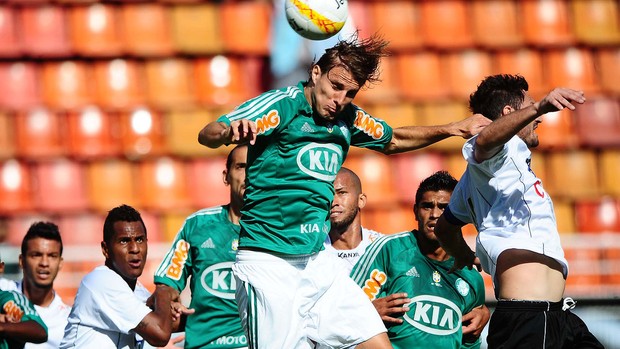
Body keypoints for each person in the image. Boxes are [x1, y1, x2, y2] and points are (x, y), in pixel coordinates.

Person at [198, 34, 490, 349]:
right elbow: (208, 133)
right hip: (269, 264)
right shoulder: (282, 106)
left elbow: (392, 140)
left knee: (375, 343)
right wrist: (229, 131)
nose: (340, 99)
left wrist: (452, 128)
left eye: (350, 93)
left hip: (316, 261)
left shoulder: (347, 119)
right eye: (336, 87)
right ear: (315, 74)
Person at [434, 74, 603, 348]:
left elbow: (445, 227)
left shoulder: (475, 180)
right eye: (530, 107)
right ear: (509, 113)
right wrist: (540, 106)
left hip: (555, 315)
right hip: (528, 317)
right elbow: (485, 141)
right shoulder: (499, 150)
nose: (538, 118)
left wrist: (463, 255)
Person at [350, 171, 489, 348]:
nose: (434, 214)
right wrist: (367, 311)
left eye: (444, 207)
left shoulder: (470, 276)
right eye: (427, 206)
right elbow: (347, 310)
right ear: (415, 211)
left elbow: (469, 342)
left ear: (459, 214)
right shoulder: (389, 251)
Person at [153, 145, 248, 349]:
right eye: (241, 167)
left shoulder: (277, 231)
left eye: (256, 168)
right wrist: (170, 301)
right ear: (226, 176)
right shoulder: (197, 226)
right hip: (205, 343)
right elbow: (167, 283)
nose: (249, 175)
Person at [60, 205, 184, 349]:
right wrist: (164, 289)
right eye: (124, 241)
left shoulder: (138, 291)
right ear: (106, 250)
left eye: (139, 240)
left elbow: (170, 323)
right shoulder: (101, 282)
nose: (135, 249)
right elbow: (160, 334)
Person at [0, 222, 70, 349]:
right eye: (36, 255)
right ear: (22, 261)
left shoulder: (68, 322)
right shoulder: (3, 289)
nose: (44, 263)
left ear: (60, 263)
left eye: (52, 256)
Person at [324, 167, 383, 273]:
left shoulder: (382, 248)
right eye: (328, 194)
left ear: (361, 200)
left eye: (341, 193)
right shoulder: (313, 252)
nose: (333, 202)